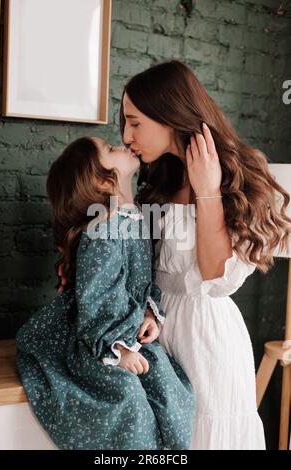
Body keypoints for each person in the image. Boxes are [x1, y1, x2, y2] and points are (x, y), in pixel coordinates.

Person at [117, 60, 291, 449]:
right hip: (155, 331)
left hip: (206, 340)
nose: (127, 134)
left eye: (135, 122)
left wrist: (208, 189)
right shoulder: (159, 175)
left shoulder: (235, 176)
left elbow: (215, 274)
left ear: (169, 116)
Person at [16, 135, 195, 450]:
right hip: (99, 337)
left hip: (128, 331)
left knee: (173, 391)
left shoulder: (134, 218)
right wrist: (117, 349)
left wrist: (150, 311)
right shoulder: (104, 230)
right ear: (100, 181)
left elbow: (143, 280)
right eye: (111, 150)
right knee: (128, 402)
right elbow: (95, 298)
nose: (122, 144)